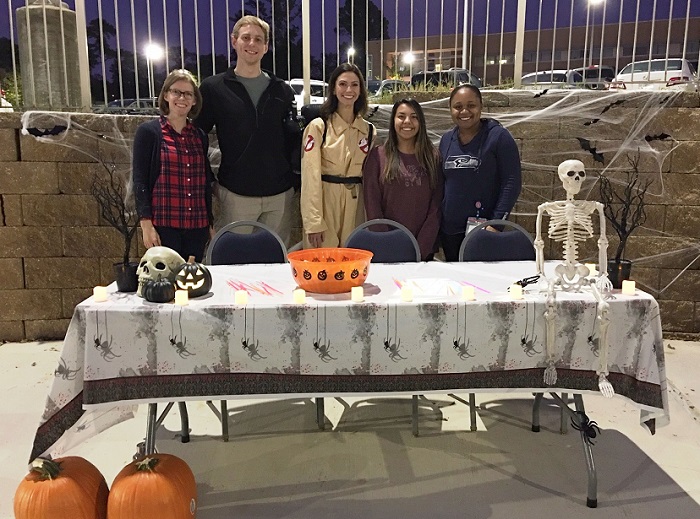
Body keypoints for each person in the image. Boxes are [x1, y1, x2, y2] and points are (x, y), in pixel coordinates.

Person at [194, 15, 299, 244]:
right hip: (236, 194)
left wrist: (294, 181)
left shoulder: (282, 90)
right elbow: (195, 137)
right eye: (246, 38)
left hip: (280, 195)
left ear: (266, 47)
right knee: (233, 263)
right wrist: (209, 180)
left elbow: (293, 138)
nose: (252, 44)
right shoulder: (214, 88)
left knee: (277, 263)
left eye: (258, 39)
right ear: (234, 42)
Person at [133, 69, 214, 262]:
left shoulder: (199, 136)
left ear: (194, 100)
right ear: (166, 95)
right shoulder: (149, 133)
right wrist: (146, 224)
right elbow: (140, 180)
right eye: (176, 92)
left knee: (193, 284)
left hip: (197, 226)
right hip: (164, 225)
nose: (182, 98)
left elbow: (203, 180)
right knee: (167, 285)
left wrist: (209, 223)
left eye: (188, 94)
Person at [439, 84, 521, 261]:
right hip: (450, 231)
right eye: (458, 107)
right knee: (457, 282)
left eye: (471, 105)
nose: (464, 111)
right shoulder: (447, 140)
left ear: (481, 107)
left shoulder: (498, 137)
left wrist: (496, 223)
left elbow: (512, 182)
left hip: (485, 229)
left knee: (482, 284)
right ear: (450, 109)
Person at [301, 62, 374, 249]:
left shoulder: (368, 131)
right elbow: (310, 176)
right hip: (326, 203)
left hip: (356, 206)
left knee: (352, 262)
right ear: (333, 89)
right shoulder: (319, 127)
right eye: (342, 84)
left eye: (355, 84)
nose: (348, 89)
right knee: (323, 264)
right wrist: (314, 221)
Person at [362, 98, 442, 260]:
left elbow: (436, 206)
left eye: (414, 117)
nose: (407, 121)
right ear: (393, 121)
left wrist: (420, 249)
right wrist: (387, 244)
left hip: (423, 251)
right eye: (401, 116)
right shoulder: (378, 157)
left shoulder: (433, 157)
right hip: (387, 249)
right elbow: (372, 205)